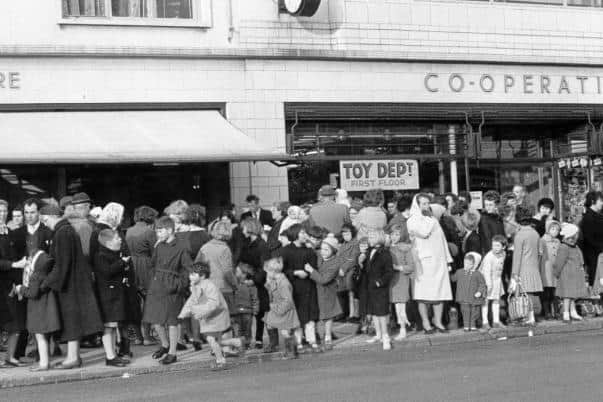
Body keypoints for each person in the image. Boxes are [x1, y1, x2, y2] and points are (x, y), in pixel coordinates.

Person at [40, 204, 104, 369]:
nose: (45, 223)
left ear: (49, 217)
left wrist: (46, 283)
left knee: (71, 321)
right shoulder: (66, 230)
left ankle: (73, 357)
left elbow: (62, 264)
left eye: (45, 220)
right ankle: (72, 356)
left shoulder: (62, 233)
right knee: (72, 321)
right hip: (74, 282)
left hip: (70, 285)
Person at [143, 216, 192, 365]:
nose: (157, 233)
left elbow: (188, 268)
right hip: (157, 286)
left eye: (160, 230)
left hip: (172, 288)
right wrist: (154, 279)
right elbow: (152, 264)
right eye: (157, 230)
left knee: (172, 321)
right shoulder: (159, 246)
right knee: (155, 319)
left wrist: (178, 284)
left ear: (170, 230)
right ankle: (165, 345)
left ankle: (172, 353)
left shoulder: (181, 247)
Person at [178, 262, 243, 371]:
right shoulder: (196, 286)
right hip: (210, 317)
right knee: (213, 339)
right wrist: (184, 313)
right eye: (190, 274)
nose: (190, 276)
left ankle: (221, 361)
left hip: (217, 316)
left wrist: (200, 311)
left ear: (202, 276)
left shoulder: (209, 286)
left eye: (193, 274)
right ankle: (236, 343)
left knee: (211, 339)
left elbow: (214, 303)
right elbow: (192, 301)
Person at [407, 193, 453, 334]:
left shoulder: (432, 218)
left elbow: (442, 239)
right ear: (417, 204)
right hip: (424, 261)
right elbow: (423, 232)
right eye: (424, 204)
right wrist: (431, 220)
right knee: (424, 295)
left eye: (428, 203)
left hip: (438, 260)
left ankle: (438, 321)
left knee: (440, 292)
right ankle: (426, 322)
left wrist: (447, 259)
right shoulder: (413, 220)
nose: (427, 206)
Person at [15, 248, 60, 372]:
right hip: (45, 309)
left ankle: (44, 363)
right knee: (44, 338)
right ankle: (45, 361)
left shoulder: (35, 276)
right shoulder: (46, 274)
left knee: (40, 338)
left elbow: (33, 293)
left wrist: (21, 289)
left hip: (38, 311)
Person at [92, 229, 131, 367]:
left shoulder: (113, 254)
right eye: (117, 238)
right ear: (108, 242)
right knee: (108, 327)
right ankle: (110, 356)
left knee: (114, 327)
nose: (120, 240)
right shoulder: (100, 256)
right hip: (108, 297)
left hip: (114, 296)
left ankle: (113, 354)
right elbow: (107, 272)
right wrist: (122, 262)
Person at [278, 224, 319, 353]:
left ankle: (312, 340)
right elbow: (281, 270)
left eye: (305, 233)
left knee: (310, 314)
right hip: (293, 287)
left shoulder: (309, 250)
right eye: (302, 233)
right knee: (297, 315)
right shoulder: (285, 251)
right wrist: (295, 272)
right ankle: (298, 341)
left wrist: (309, 272)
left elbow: (315, 267)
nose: (305, 235)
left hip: (309, 286)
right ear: (295, 234)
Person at [0, 199, 30, 368]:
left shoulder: (9, 233)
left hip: (9, 285)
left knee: (16, 324)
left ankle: (10, 357)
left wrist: (17, 283)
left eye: (5, 211)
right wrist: (14, 264)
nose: (2, 214)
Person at [125, 205, 158, 346]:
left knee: (134, 302)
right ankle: (147, 337)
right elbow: (155, 252)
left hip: (132, 265)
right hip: (146, 266)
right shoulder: (149, 232)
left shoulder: (129, 231)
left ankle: (138, 337)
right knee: (149, 302)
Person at [304, 234, 342, 351]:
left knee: (328, 316)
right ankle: (320, 336)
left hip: (327, 292)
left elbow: (324, 279)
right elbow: (312, 250)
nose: (323, 252)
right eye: (322, 249)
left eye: (327, 250)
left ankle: (328, 337)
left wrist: (311, 271)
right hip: (317, 290)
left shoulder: (335, 263)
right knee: (320, 315)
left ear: (333, 250)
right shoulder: (318, 255)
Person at [509, 205, 544, 326]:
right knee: (530, 294)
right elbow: (540, 252)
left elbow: (517, 257)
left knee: (525, 295)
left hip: (523, 268)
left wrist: (514, 274)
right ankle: (531, 316)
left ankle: (528, 317)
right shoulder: (535, 233)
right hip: (534, 266)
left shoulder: (519, 235)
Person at [239, 218, 270, 350]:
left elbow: (264, 266)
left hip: (258, 282)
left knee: (260, 312)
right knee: (249, 311)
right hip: (247, 278)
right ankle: (249, 338)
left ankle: (258, 338)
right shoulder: (247, 243)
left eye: (244, 228)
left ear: (250, 228)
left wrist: (255, 279)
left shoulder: (261, 245)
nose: (242, 230)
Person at [195, 220, 238, 314]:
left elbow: (197, 268)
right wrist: (235, 285)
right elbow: (227, 272)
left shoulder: (204, 247)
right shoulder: (225, 249)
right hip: (223, 289)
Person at [362, 229, 394, 351]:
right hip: (370, 287)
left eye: (371, 237)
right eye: (369, 237)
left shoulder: (384, 253)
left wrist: (379, 282)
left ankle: (385, 336)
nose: (369, 239)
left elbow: (389, 272)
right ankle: (378, 334)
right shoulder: (369, 251)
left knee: (381, 313)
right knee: (374, 312)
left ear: (379, 238)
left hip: (380, 288)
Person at [263, 257, 300, 359]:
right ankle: (291, 350)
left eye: (267, 272)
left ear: (272, 271)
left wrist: (277, 309)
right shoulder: (276, 280)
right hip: (278, 308)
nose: (266, 274)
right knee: (270, 324)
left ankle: (291, 352)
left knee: (285, 331)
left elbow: (287, 300)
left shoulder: (283, 283)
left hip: (284, 310)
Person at [554, 224, 589, 323]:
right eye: (576, 234)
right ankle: (566, 314)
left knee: (572, 295)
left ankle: (573, 312)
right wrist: (556, 273)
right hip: (566, 275)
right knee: (567, 296)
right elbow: (559, 262)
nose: (577, 236)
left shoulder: (574, 246)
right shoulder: (564, 247)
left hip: (573, 275)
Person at [388, 224, 415, 341]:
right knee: (396, 305)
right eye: (392, 234)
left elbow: (410, 267)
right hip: (391, 280)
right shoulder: (387, 248)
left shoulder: (405, 248)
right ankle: (400, 327)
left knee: (401, 305)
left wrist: (397, 267)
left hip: (401, 278)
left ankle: (403, 329)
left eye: (397, 234)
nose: (394, 237)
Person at [451, 252, 486, 332]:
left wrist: (479, 291)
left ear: (473, 264)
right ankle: (466, 326)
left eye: (469, 264)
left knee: (475, 312)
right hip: (463, 297)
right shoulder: (459, 272)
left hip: (474, 297)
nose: (466, 265)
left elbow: (482, 283)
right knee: (465, 311)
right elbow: (453, 279)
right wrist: (448, 270)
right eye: (465, 263)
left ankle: (473, 325)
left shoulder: (477, 274)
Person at [480, 235, 507, 329]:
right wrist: (488, 284)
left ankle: (496, 321)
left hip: (497, 280)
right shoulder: (489, 257)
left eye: (497, 245)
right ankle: (485, 322)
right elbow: (486, 272)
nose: (495, 248)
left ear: (503, 247)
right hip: (486, 281)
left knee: (496, 300)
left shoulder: (503, 254)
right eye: (493, 245)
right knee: (486, 301)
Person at [231, 263, 259, 349]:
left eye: (237, 271)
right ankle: (240, 344)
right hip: (237, 311)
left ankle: (247, 343)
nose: (235, 273)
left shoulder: (250, 285)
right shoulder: (233, 285)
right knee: (239, 329)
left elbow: (254, 298)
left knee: (247, 329)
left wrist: (255, 309)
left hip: (248, 311)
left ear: (244, 273)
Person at [337, 223, 360, 323]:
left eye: (347, 233)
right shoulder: (343, 245)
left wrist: (344, 268)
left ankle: (354, 314)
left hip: (351, 271)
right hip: (342, 272)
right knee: (343, 292)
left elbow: (353, 259)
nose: (345, 236)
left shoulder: (355, 244)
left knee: (352, 293)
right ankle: (345, 313)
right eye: (343, 234)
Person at [580, 191, 603, 286]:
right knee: (597, 282)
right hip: (594, 256)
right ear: (593, 201)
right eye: (601, 200)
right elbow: (590, 239)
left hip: (598, 254)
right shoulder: (589, 217)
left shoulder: (598, 216)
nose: (602, 203)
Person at [541, 220, 561, 320]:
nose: (555, 231)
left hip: (555, 270)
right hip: (545, 269)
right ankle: (547, 312)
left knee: (555, 292)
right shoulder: (543, 241)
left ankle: (556, 311)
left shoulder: (557, 241)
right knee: (546, 292)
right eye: (552, 229)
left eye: (557, 229)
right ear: (548, 229)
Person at [479, 191, 505, 255]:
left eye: (490, 205)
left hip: (500, 251)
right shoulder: (484, 219)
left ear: (496, 205)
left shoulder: (499, 218)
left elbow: (502, 235)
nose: (488, 207)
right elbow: (487, 238)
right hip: (492, 253)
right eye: (486, 205)